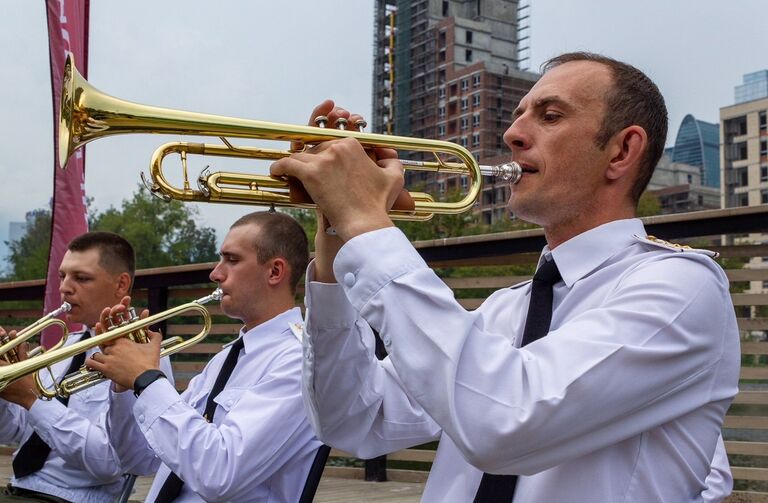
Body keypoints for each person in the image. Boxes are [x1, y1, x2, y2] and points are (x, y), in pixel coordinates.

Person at [270, 52, 741, 501]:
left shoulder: (683, 286)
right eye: (517, 116)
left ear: (621, 151)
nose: (513, 133)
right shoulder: (503, 309)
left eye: (550, 116)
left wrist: (365, 221)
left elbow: (505, 421)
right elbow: (353, 419)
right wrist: (336, 234)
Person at [87, 211, 323, 502]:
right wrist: (124, 385)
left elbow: (219, 474)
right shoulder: (225, 360)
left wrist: (147, 380)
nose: (216, 273)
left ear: (275, 271)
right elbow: (138, 459)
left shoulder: (298, 361)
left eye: (232, 260)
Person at [0, 231, 160, 503]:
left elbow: (110, 462)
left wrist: (31, 399)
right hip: (16, 488)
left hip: (68, 498)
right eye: (62, 276)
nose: (64, 287)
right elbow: (13, 431)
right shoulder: (67, 344)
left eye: (81, 278)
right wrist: (7, 391)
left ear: (121, 284)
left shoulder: (143, 356)